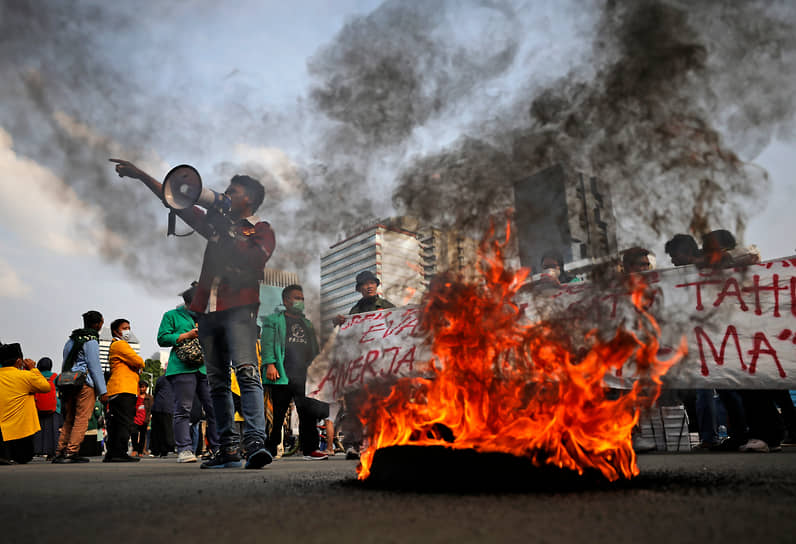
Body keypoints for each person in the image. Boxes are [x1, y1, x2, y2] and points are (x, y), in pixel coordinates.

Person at [113, 159, 275, 470]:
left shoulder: (261, 229)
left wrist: (225, 230)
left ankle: (255, 442)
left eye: (232, 191)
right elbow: (175, 199)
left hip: (239, 309)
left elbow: (255, 259)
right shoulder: (217, 225)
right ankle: (228, 449)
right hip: (208, 313)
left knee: (247, 372)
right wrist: (140, 174)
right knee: (216, 382)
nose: (224, 194)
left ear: (249, 200)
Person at [332, 270, 396, 459]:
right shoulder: (354, 312)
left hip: (381, 364)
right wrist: (339, 325)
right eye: (364, 284)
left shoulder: (387, 307)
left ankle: (384, 442)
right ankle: (352, 445)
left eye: (372, 283)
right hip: (359, 365)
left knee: (382, 404)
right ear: (359, 289)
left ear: (377, 286)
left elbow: (399, 330)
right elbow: (347, 338)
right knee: (354, 406)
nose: (369, 286)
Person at [262, 284, 328, 460]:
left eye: (302, 299)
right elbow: (267, 343)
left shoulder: (306, 323)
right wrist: (270, 364)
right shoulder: (273, 320)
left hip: (304, 376)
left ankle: (311, 449)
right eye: (297, 298)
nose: (300, 302)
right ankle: (269, 448)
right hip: (282, 375)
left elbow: (314, 349)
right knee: (277, 415)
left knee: (308, 414)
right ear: (286, 300)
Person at [158, 283, 220, 464]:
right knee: (183, 409)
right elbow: (162, 338)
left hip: (206, 368)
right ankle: (184, 449)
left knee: (214, 409)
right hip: (182, 368)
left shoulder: (208, 318)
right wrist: (186, 335)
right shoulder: (172, 316)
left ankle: (217, 448)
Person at [54, 310, 108, 463]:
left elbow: (65, 363)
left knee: (69, 418)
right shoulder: (91, 341)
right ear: (98, 324)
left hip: (69, 382)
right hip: (84, 383)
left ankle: (60, 451)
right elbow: (95, 366)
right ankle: (72, 452)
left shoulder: (71, 340)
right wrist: (103, 391)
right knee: (81, 418)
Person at [0, 343, 51, 464]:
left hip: (2, 433)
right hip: (21, 433)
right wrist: (33, 369)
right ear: (19, 361)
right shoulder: (26, 376)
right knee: (24, 457)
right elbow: (46, 387)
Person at [103, 318, 143, 463]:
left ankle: (112, 453)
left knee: (115, 423)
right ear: (115, 331)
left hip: (117, 389)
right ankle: (120, 452)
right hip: (124, 388)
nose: (128, 331)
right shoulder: (120, 344)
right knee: (124, 422)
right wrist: (139, 364)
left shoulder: (114, 345)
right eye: (125, 328)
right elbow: (139, 361)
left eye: (129, 327)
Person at [32, 356, 61, 460]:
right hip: (54, 408)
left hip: (37, 407)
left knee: (38, 430)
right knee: (53, 431)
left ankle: (36, 450)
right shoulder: (55, 377)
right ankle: (52, 453)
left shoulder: (35, 376)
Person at [149, 374, 175, 457]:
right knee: (167, 430)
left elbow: (156, 391)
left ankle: (155, 450)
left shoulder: (161, 378)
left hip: (158, 406)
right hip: (169, 407)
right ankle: (165, 450)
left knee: (156, 430)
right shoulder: (177, 379)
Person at [131, 380, 153, 457]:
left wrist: (148, 419)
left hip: (144, 419)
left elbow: (150, 410)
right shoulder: (135, 396)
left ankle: (140, 451)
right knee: (134, 435)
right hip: (135, 419)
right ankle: (135, 449)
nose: (141, 389)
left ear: (146, 388)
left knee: (143, 436)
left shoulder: (149, 398)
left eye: (143, 387)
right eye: (140, 387)